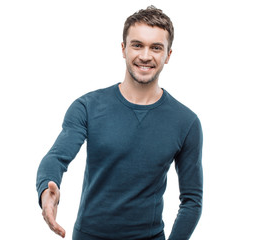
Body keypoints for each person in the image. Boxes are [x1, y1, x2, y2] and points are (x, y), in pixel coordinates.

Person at [36, 5, 203, 240]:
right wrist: (47, 190)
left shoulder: (186, 122)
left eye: (156, 47)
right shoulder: (87, 106)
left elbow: (192, 200)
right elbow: (56, 157)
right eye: (137, 45)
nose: (145, 56)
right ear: (123, 49)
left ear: (168, 55)